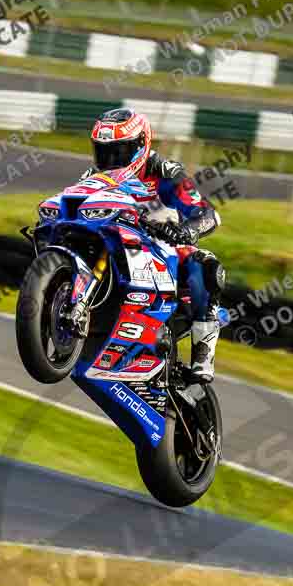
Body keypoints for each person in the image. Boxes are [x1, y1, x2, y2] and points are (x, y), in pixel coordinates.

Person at [81, 107, 226, 384]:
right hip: (112, 246)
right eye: (104, 152)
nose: (110, 161)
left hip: (161, 251)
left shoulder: (165, 173)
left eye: (118, 152)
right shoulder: (92, 176)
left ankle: (203, 354)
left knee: (206, 267)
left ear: (140, 146)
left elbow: (207, 214)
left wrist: (183, 230)